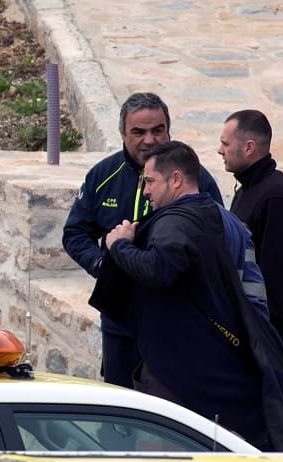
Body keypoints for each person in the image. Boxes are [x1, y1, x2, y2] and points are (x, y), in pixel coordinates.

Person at [99, 141, 283, 451]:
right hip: (217, 366)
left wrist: (119, 246)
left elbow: (158, 269)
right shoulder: (224, 220)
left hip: (179, 374)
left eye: (150, 181)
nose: (145, 191)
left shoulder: (174, 221)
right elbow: (251, 292)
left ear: (176, 179)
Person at [62, 92, 223, 387]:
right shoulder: (102, 176)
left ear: (168, 130)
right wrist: (103, 265)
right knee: (120, 405)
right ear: (123, 134)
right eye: (138, 132)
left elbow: (217, 240)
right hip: (121, 323)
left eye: (158, 130)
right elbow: (74, 234)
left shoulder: (196, 180)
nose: (150, 140)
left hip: (178, 324)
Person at [219, 109, 283, 355]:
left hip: (266, 335)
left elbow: (277, 275)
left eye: (225, 144)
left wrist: (263, 337)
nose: (219, 150)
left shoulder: (277, 198)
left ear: (249, 147)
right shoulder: (247, 187)